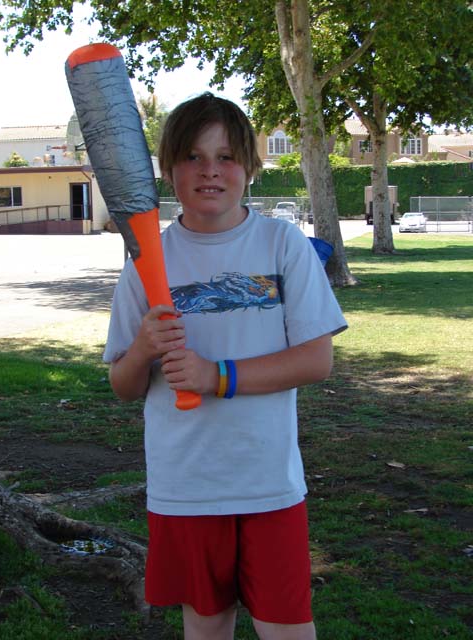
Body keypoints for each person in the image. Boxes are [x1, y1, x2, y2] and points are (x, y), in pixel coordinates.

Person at [103, 92, 347, 640]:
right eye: (192, 156)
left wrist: (217, 377)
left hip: (268, 481)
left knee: (286, 627)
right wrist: (142, 349)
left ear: (251, 168)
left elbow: (316, 359)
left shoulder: (281, 243)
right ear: (168, 169)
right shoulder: (146, 263)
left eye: (226, 157)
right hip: (185, 484)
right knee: (206, 623)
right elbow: (123, 385)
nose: (209, 170)